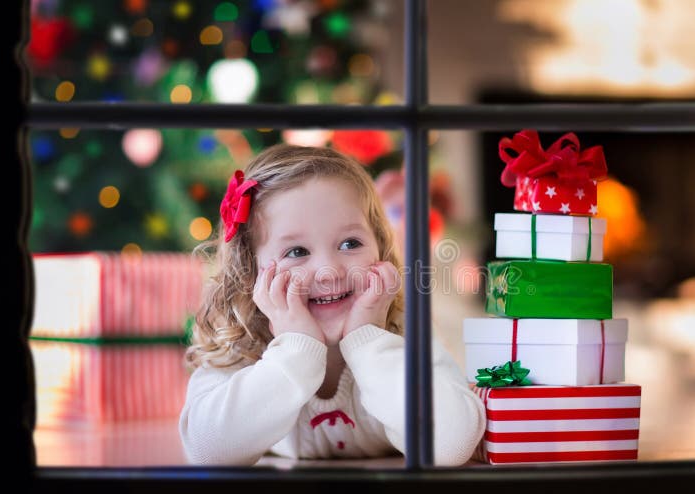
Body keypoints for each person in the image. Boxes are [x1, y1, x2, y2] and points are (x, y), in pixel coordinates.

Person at [179, 144, 485, 466]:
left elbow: (453, 443)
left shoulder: (405, 331)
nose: (331, 271)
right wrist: (296, 349)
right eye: (296, 252)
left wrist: (368, 339)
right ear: (250, 270)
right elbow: (205, 451)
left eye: (350, 243)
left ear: (379, 248)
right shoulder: (241, 341)